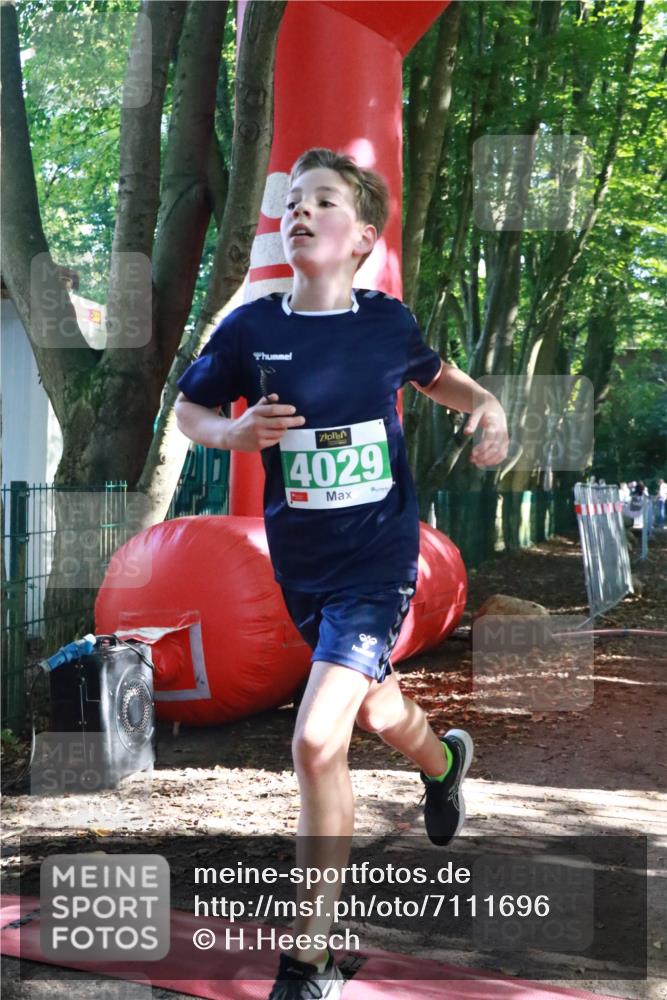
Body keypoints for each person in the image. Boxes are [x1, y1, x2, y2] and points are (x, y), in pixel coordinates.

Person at [175, 148, 509, 1000]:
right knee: (369, 705)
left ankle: (310, 954)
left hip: (378, 559)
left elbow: (444, 382)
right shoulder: (253, 328)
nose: (299, 211)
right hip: (302, 569)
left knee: (316, 738)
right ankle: (442, 763)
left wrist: (490, 409)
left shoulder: (385, 325)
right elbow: (191, 409)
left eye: (321, 200)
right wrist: (231, 437)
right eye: (290, 201)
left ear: (360, 237)